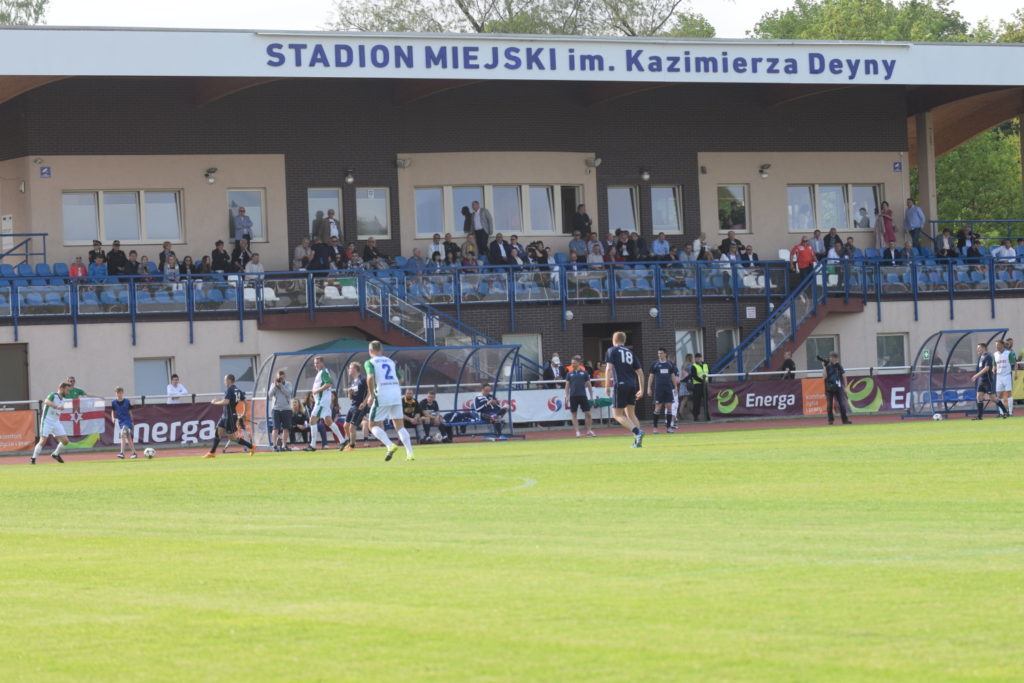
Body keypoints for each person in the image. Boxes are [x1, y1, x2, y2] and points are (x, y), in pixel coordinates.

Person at [364, 340, 414, 461]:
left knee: (372, 425)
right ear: (381, 350)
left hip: (382, 394)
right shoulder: (390, 361)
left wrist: (371, 394)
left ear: (370, 351)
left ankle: (390, 445)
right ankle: (410, 454)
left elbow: (370, 378)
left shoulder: (369, 362)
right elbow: (400, 378)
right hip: (396, 394)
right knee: (400, 426)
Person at [604, 331, 645, 448]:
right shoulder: (630, 352)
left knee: (617, 415)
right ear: (624, 340)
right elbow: (640, 372)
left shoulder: (612, 350)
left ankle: (638, 433)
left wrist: (607, 385)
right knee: (631, 414)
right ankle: (637, 442)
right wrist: (641, 389)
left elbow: (608, 369)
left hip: (620, 384)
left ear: (614, 340)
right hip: (632, 385)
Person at [203, 374, 255, 458]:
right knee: (218, 432)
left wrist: (214, 402)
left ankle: (251, 446)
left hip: (230, 417)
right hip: (225, 416)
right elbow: (245, 402)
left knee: (232, 438)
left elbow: (226, 402)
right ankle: (212, 453)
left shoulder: (230, 390)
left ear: (229, 380)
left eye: (225, 380)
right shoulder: (238, 390)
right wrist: (244, 413)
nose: (224, 382)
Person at [304, 356, 348, 451]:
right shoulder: (321, 372)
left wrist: (316, 391)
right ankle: (343, 441)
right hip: (323, 401)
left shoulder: (324, 372)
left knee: (312, 420)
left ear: (322, 363)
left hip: (321, 402)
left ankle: (312, 445)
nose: (316, 365)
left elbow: (328, 383)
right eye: (315, 363)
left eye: (318, 363)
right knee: (328, 421)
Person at [31, 382, 71, 464]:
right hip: (47, 421)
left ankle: (55, 454)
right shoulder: (53, 395)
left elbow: (58, 410)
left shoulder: (63, 399)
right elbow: (46, 401)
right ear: (61, 388)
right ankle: (33, 459)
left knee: (65, 441)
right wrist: (57, 406)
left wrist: (60, 409)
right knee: (43, 441)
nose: (68, 392)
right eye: (67, 390)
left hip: (56, 422)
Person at [647, 347, 679, 434]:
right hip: (658, 389)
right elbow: (651, 376)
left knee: (669, 407)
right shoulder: (655, 364)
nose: (659, 355)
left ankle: (669, 428)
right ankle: (655, 428)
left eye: (661, 353)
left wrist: (675, 387)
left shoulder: (670, 364)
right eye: (658, 353)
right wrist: (649, 388)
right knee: (658, 408)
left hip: (668, 389)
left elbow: (672, 376)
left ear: (665, 354)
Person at [564, 355, 596, 438]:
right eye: (571, 363)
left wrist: (591, 396)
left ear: (579, 363)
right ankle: (577, 432)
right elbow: (567, 386)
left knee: (588, 414)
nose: (572, 365)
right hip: (573, 396)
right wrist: (566, 397)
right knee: (574, 414)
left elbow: (589, 385)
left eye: (574, 363)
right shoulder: (569, 374)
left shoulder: (584, 373)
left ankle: (589, 430)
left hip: (582, 396)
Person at [342, 361, 369, 451]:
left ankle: (352, 447)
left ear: (355, 369)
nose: (349, 370)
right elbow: (351, 397)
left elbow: (370, 391)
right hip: (353, 406)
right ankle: (351, 442)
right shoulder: (352, 382)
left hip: (360, 406)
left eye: (350, 368)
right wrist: (350, 393)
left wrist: (364, 403)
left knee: (352, 427)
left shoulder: (363, 379)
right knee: (345, 426)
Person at [970, 342, 999, 420]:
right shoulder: (981, 357)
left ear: (983, 348)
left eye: (979, 348)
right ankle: (979, 416)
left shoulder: (988, 356)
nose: (977, 350)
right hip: (981, 380)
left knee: (992, 398)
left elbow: (986, 368)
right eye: (977, 348)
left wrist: (976, 375)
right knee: (979, 396)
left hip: (987, 380)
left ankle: (1005, 411)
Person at [820, 352, 851, 425]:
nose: (831, 359)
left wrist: (846, 387)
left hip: (838, 388)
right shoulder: (827, 366)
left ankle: (845, 420)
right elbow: (824, 377)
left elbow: (844, 376)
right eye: (830, 357)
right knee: (829, 405)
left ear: (836, 358)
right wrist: (824, 367)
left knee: (842, 404)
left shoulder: (839, 366)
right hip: (829, 388)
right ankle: (830, 420)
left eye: (833, 357)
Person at [110, 386, 140, 460]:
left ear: (122, 393)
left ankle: (122, 453)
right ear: (115, 393)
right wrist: (113, 418)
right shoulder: (113, 402)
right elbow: (113, 411)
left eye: (120, 393)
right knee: (128, 437)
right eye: (117, 393)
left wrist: (132, 422)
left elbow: (130, 412)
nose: (119, 394)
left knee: (123, 432)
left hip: (127, 421)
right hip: (121, 421)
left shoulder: (127, 401)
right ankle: (134, 453)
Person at [268, 369, 294, 452]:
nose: (281, 380)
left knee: (286, 428)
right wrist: (276, 386)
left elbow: (289, 394)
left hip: (286, 409)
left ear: (284, 377)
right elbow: (269, 395)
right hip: (276, 409)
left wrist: (281, 386)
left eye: (282, 378)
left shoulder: (288, 384)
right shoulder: (273, 384)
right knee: (275, 428)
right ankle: (274, 446)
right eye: (279, 378)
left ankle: (284, 445)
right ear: (277, 377)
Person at [686, 353, 710, 422]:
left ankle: (707, 416)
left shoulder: (705, 364)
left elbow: (709, 373)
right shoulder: (693, 366)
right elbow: (694, 376)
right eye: (697, 358)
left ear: (701, 358)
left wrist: (708, 381)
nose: (698, 359)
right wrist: (702, 381)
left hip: (705, 385)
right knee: (697, 402)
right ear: (695, 359)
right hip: (697, 385)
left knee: (706, 401)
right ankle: (696, 416)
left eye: (699, 357)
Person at [993, 339, 1013, 419]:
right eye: (996, 345)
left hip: (1007, 375)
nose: (997, 347)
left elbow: (1014, 363)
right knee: (999, 394)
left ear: (1002, 345)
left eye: (998, 345)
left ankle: (1010, 412)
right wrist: (993, 369)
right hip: (999, 376)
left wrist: (1015, 373)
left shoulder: (1008, 353)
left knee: (1009, 393)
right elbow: (994, 364)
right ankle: (1002, 412)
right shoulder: (995, 354)